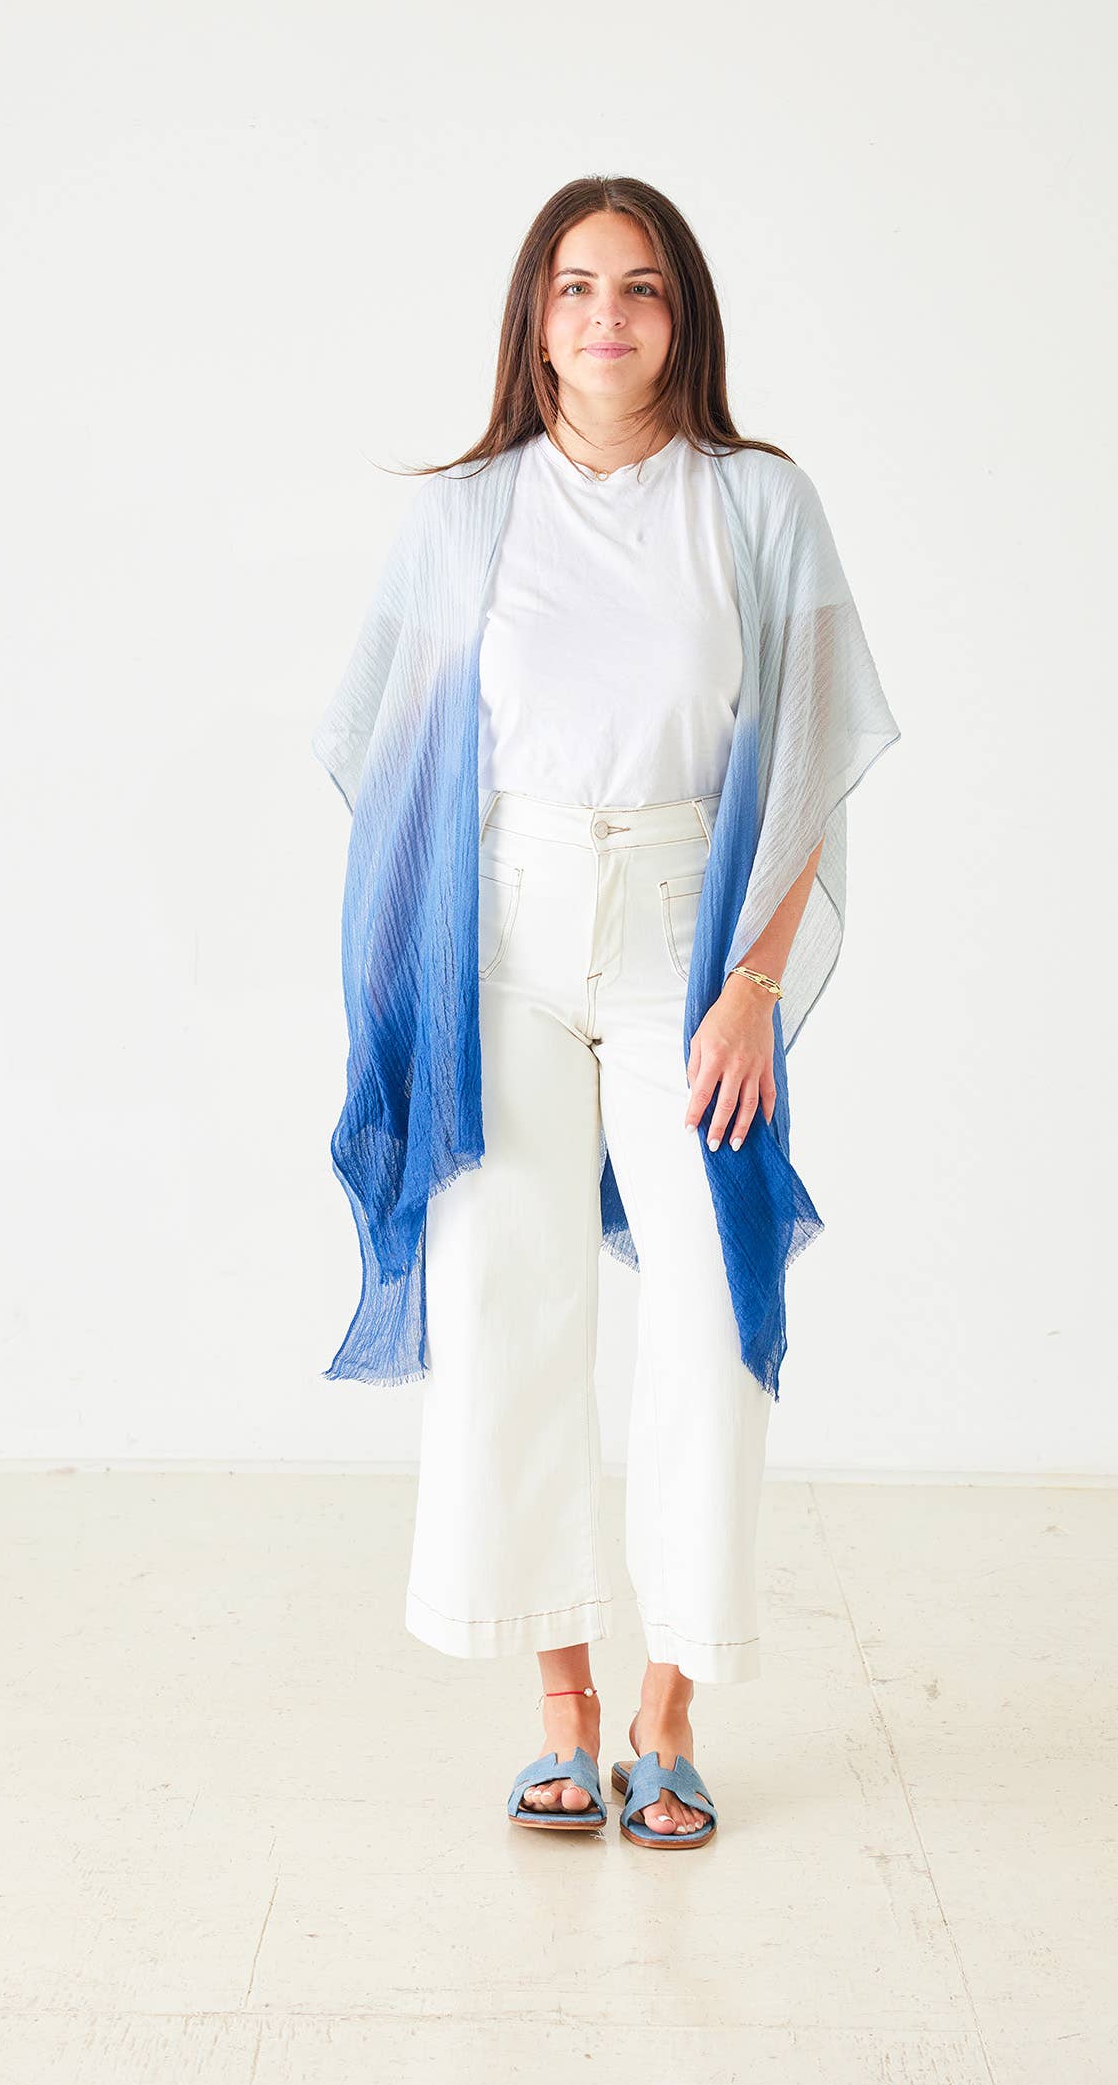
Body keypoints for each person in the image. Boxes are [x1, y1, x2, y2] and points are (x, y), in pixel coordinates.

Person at [312, 176, 900, 1849]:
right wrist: (411, 989)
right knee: (510, 1306)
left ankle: (670, 1712)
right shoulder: (463, 517)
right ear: (534, 317)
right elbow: (393, 765)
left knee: (710, 1305)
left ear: (679, 316)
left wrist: (751, 989)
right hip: (497, 932)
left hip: (683, 933)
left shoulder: (757, 502)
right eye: (575, 287)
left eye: (638, 288)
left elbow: (806, 757)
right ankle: (563, 1705)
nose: (606, 318)